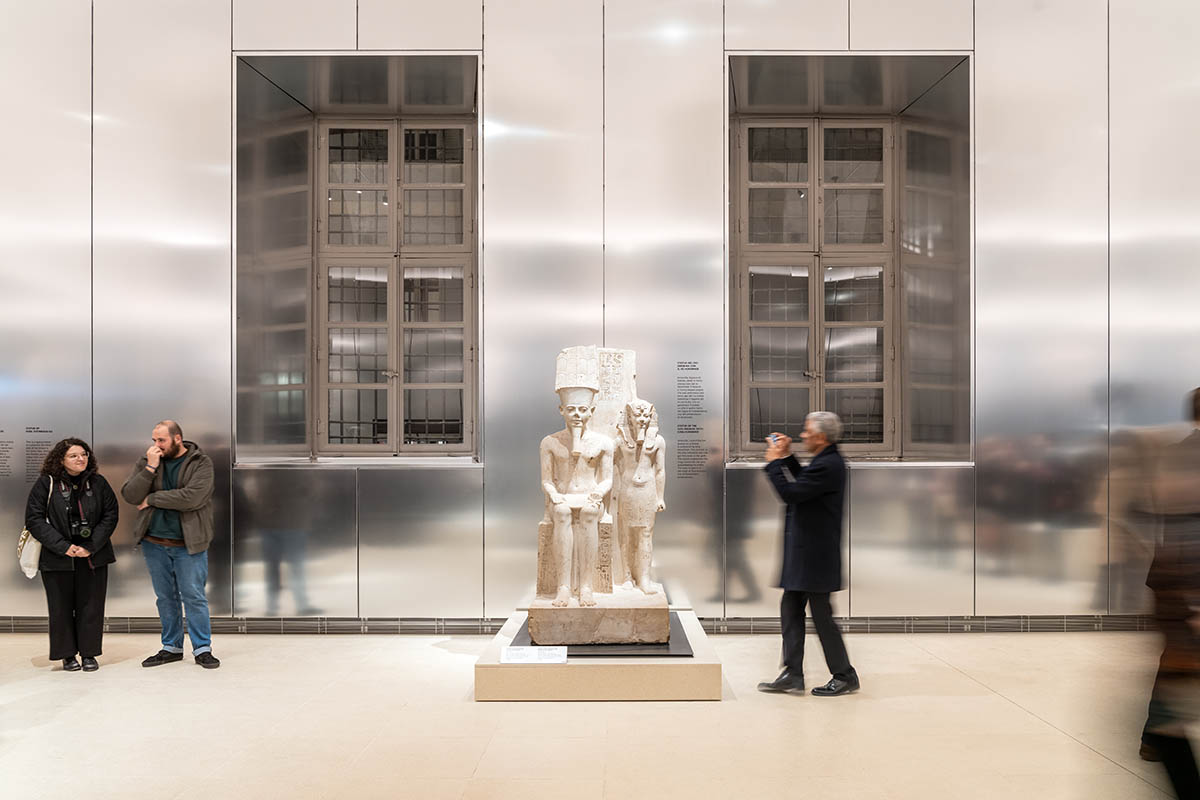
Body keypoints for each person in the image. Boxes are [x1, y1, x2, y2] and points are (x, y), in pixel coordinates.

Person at [757, 412, 859, 696]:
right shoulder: (826, 461)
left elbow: (791, 493)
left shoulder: (830, 464)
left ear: (821, 437)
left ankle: (845, 674)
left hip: (816, 556)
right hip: (808, 554)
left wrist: (773, 463)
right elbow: (804, 484)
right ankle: (792, 672)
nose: (802, 436)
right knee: (790, 608)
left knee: (822, 616)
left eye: (807, 431)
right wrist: (787, 457)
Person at [121, 420, 220, 669]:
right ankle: (171, 647)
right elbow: (130, 495)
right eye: (154, 440)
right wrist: (150, 469)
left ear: (177, 438)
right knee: (165, 598)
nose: (156, 445)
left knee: (194, 597)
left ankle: (202, 649)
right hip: (154, 543)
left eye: (161, 440)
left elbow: (193, 497)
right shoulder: (149, 460)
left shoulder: (201, 462)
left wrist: (153, 498)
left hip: (188, 544)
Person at [24, 438, 118, 672]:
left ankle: (88, 654)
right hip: (57, 556)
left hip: (92, 556)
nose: (81, 459)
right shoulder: (46, 483)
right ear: (60, 460)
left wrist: (91, 545)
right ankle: (67, 655)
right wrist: (63, 546)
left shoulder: (98, 482)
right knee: (60, 607)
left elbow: (110, 515)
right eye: (74, 455)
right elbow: (34, 519)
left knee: (91, 606)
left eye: (84, 454)